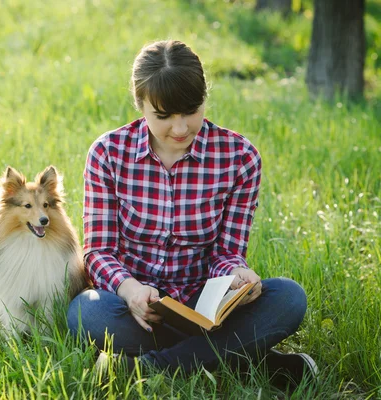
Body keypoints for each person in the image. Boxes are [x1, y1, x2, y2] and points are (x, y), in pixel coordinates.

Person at [66, 40, 317, 385]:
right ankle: (246, 359)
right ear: (140, 104)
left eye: (191, 110)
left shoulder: (239, 157)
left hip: (206, 306)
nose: (181, 128)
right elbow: (99, 252)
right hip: (138, 307)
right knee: (86, 311)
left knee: (288, 297)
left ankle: (147, 368)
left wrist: (237, 275)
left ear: (204, 98)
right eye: (164, 116)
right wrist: (130, 290)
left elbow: (226, 253)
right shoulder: (108, 154)